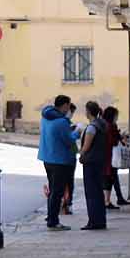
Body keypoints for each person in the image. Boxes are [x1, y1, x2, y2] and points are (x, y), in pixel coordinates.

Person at [37, 95, 77, 230]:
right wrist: (77, 132)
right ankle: (53, 221)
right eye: (68, 106)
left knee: (53, 189)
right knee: (57, 191)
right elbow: (69, 141)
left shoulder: (45, 117)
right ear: (65, 105)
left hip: (47, 157)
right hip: (60, 160)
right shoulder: (62, 121)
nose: (68, 110)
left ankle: (51, 216)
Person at [78, 101, 110, 230]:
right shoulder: (102, 124)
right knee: (98, 191)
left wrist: (81, 154)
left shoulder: (92, 127)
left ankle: (93, 221)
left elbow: (86, 145)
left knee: (91, 193)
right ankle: (100, 220)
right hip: (100, 161)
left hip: (90, 162)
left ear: (88, 112)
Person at [104, 105, 130, 207]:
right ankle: (108, 200)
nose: (117, 117)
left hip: (110, 156)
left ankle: (117, 198)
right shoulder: (109, 126)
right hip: (110, 156)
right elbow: (112, 141)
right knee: (110, 177)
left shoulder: (109, 125)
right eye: (116, 115)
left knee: (113, 177)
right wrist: (118, 138)